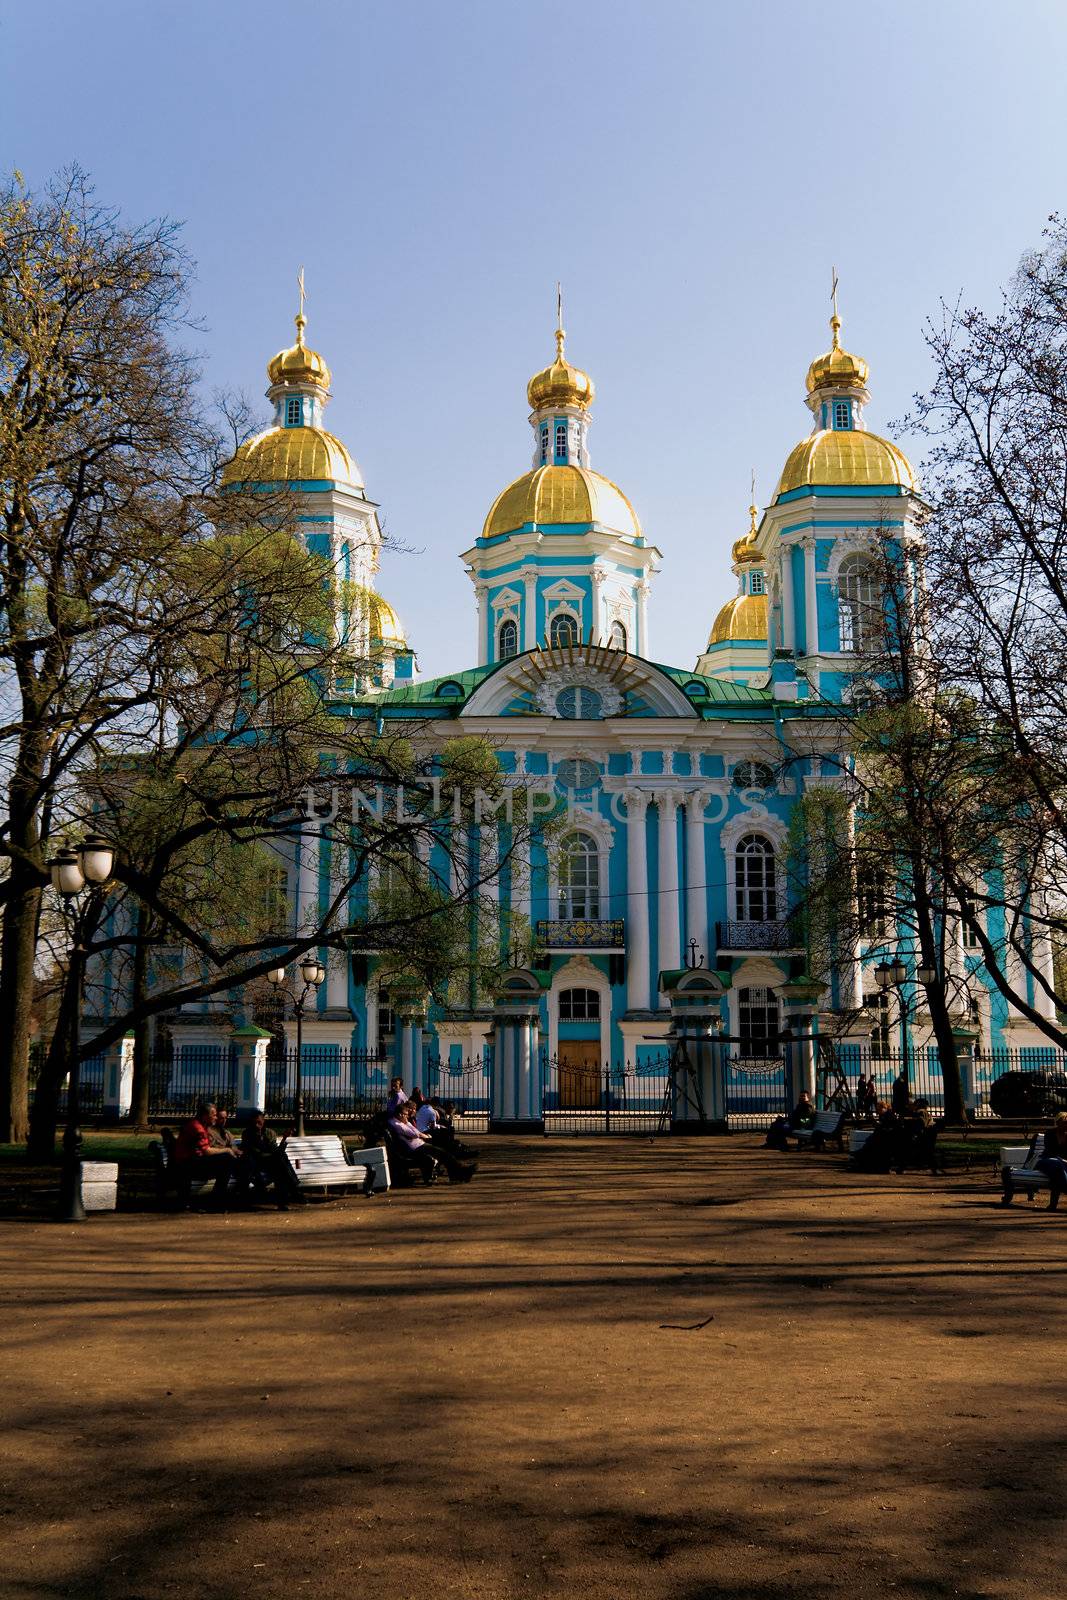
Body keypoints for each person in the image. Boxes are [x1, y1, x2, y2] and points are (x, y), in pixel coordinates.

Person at [173, 1101, 247, 1206]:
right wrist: (227, 1150)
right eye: (214, 1115)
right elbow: (206, 1151)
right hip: (188, 1164)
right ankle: (218, 1197)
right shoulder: (197, 1128)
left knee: (228, 1161)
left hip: (192, 1161)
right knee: (227, 1159)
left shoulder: (201, 1125)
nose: (216, 1118)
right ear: (205, 1116)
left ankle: (220, 1196)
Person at [388, 1101, 477, 1184]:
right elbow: (415, 1133)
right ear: (400, 1114)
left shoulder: (399, 1122)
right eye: (405, 1115)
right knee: (442, 1153)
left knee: (443, 1152)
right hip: (415, 1148)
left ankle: (459, 1172)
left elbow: (416, 1132)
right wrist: (407, 1123)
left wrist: (408, 1124)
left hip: (418, 1145)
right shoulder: (397, 1125)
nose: (407, 1117)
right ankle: (460, 1172)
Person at [241, 1112, 303, 1208]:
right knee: (280, 1162)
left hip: (271, 1162)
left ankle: (284, 1201)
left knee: (280, 1163)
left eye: (259, 1122)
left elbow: (276, 1151)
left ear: (263, 1121)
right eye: (255, 1123)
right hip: (256, 1164)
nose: (257, 1125)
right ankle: (294, 1188)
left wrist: (284, 1139)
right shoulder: (247, 1134)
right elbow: (256, 1153)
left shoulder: (269, 1133)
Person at [1037, 1111, 1067, 1210]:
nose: (1066, 1125)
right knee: (1058, 1166)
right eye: (1064, 1122)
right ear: (1058, 1123)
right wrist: (1062, 1160)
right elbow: (1050, 1151)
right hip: (1046, 1161)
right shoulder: (1050, 1133)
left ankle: (1052, 1205)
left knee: (1057, 1173)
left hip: (1061, 1165)